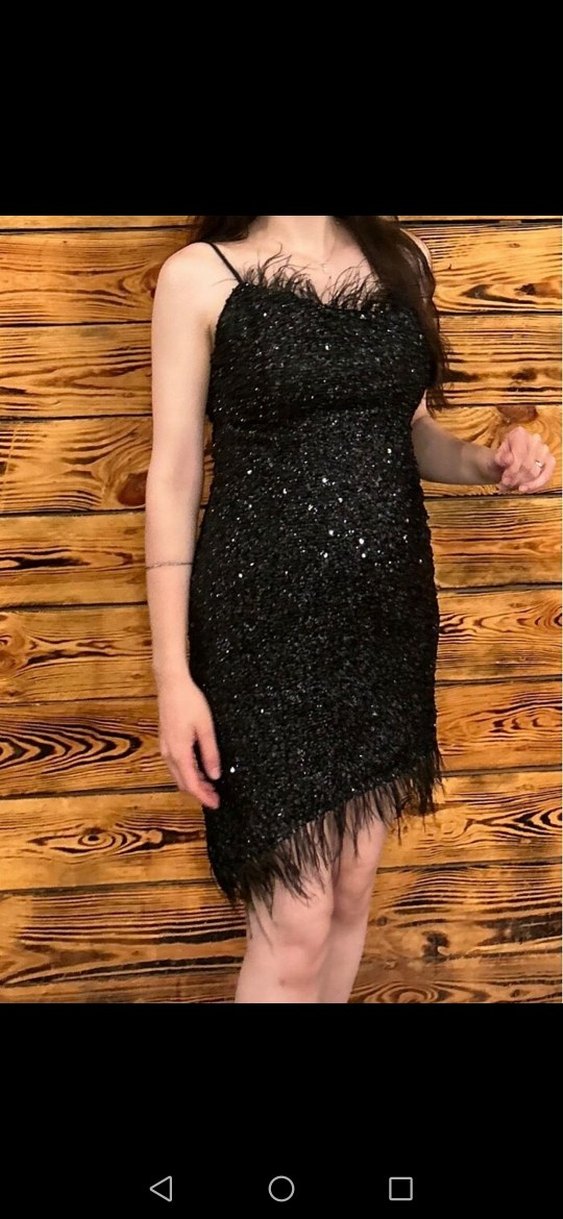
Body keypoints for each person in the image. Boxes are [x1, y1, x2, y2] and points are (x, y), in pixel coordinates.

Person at [146, 215, 555, 1004]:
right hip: (263, 629)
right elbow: (171, 476)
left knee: (347, 896)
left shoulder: (399, 259)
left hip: (385, 620)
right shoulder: (198, 275)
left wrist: (487, 461)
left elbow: (408, 431)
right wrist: (173, 674)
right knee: (293, 924)